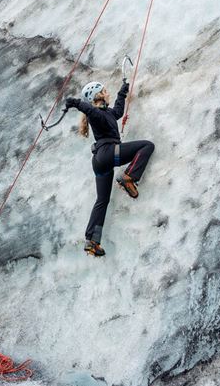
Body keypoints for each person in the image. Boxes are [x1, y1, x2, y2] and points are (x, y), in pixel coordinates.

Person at [64, 80, 154, 257]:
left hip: (100, 161)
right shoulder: (95, 113)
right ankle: (128, 177)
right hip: (108, 153)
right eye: (105, 90)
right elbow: (89, 110)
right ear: (99, 95)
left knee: (102, 200)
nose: (107, 92)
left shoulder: (107, 113)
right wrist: (76, 103)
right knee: (147, 146)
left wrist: (122, 92)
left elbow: (118, 111)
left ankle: (92, 241)